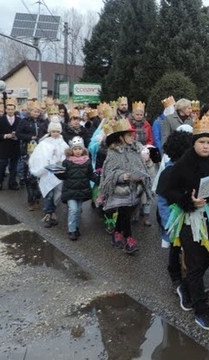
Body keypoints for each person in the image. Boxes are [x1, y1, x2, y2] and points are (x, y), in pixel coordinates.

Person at [159, 115, 209, 331]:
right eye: (201, 142)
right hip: (189, 218)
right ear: (194, 143)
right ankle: (202, 312)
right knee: (195, 264)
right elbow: (167, 191)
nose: (206, 146)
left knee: (207, 259)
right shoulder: (182, 163)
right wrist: (188, 201)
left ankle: (187, 289)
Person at [99, 119, 154, 254]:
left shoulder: (135, 149)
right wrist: (122, 176)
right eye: (129, 135)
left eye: (132, 134)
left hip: (135, 189)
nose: (132, 137)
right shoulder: (113, 153)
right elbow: (108, 173)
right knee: (125, 213)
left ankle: (117, 233)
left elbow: (141, 166)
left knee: (126, 214)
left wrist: (142, 175)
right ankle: (129, 239)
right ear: (121, 137)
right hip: (121, 191)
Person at [156, 126, 194, 295]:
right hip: (173, 218)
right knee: (175, 248)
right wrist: (168, 222)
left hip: (191, 216)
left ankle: (190, 281)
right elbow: (162, 200)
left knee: (191, 249)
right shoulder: (169, 172)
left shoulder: (191, 169)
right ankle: (176, 278)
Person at [29, 120, 68, 227]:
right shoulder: (44, 143)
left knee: (57, 192)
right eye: (53, 131)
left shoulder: (63, 143)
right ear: (50, 131)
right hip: (47, 172)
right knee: (49, 193)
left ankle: (53, 211)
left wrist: (61, 160)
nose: (55, 133)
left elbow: (66, 155)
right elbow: (38, 156)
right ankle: (48, 213)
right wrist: (46, 161)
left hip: (58, 171)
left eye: (57, 131)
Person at [58, 137, 98, 240]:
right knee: (73, 209)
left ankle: (75, 227)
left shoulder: (87, 161)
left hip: (81, 190)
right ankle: (71, 230)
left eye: (79, 149)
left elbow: (91, 175)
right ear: (71, 150)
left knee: (79, 210)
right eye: (75, 149)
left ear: (83, 150)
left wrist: (99, 180)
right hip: (70, 190)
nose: (77, 151)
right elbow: (63, 176)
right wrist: (58, 173)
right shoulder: (66, 162)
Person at [0, 101, 21, 190]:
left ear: (14, 110)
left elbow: (22, 132)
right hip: (4, 145)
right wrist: (5, 136)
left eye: (12, 109)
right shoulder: (0, 120)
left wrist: (17, 136)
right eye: (8, 109)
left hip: (15, 145)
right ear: (6, 110)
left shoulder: (19, 120)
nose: (10, 111)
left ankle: (12, 183)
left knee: (14, 166)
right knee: (2, 164)